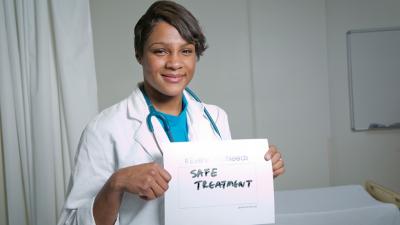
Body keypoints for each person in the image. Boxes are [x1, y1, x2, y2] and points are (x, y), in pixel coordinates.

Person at [57, 1, 285, 225]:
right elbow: (72, 223)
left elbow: (221, 200)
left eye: (186, 51)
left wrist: (256, 173)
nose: (175, 63)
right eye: (160, 51)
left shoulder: (215, 118)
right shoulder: (105, 128)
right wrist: (116, 184)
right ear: (139, 54)